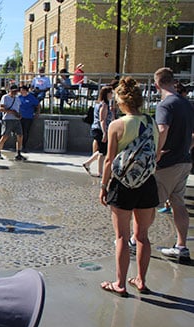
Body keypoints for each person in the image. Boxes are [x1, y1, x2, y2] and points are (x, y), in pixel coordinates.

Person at [99, 76, 159, 297]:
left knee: (122, 236)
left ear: (120, 102)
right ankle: (141, 281)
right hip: (147, 183)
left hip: (122, 185)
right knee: (142, 235)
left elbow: (108, 160)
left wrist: (103, 186)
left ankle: (120, 283)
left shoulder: (117, 125)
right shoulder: (152, 123)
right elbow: (156, 154)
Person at [154, 68, 194, 261]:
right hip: (184, 161)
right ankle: (181, 246)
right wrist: (186, 148)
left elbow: (162, 129)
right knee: (178, 203)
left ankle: (136, 241)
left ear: (156, 84)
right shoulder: (187, 104)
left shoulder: (165, 105)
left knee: (147, 204)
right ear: (173, 81)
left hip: (167, 163)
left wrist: (157, 154)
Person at [82, 86, 115, 177]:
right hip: (100, 129)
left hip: (99, 129)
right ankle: (100, 172)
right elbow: (102, 120)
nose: (112, 95)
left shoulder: (103, 104)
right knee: (102, 152)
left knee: (103, 150)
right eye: (111, 93)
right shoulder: (104, 105)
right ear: (107, 94)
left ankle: (87, 163)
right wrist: (105, 132)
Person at [0, 84, 21, 160]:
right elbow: (1, 108)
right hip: (8, 119)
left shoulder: (17, 98)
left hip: (16, 119)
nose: (15, 93)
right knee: (5, 136)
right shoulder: (5, 97)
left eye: (16, 91)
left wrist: (19, 114)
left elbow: (18, 107)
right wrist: (12, 112)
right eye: (14, 91)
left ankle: (18, 152)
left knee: (20, 135)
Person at [17, 85, 40, 154]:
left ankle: (24, 146)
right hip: (19, 117)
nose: (21, 91)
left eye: (23, 90)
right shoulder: (18, 98)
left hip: (28, 117)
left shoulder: (31, 97)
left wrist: (37, 113)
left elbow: (38, 105)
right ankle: (18, 147)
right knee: (19, 133)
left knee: (25, 132)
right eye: (20, 90)